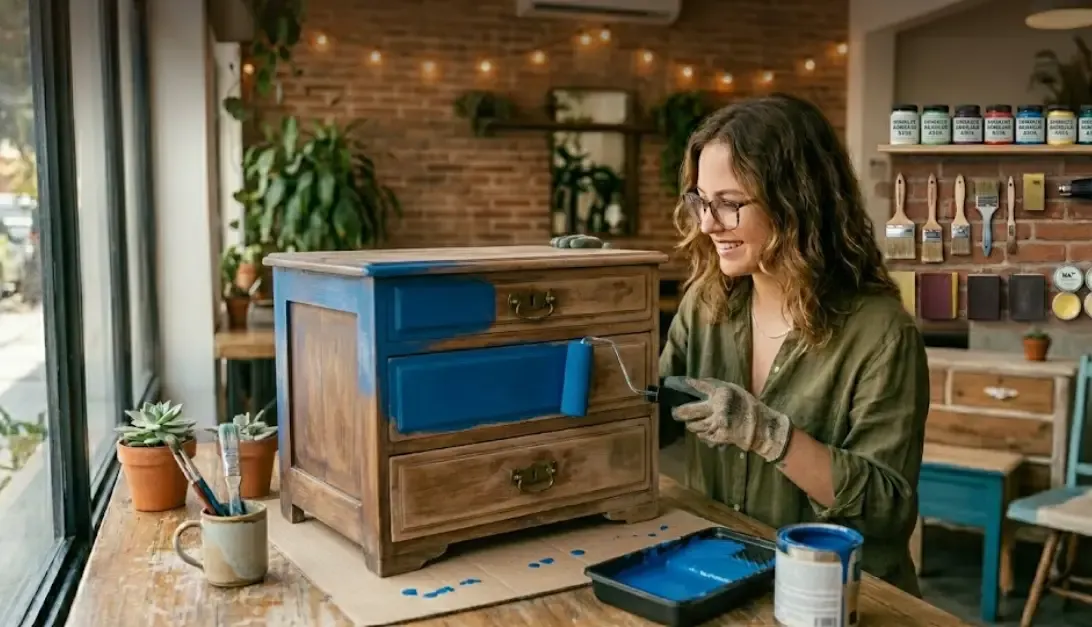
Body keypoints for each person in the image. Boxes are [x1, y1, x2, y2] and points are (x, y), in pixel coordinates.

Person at [552, 93, 928, 595]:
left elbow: (886, 509)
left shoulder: (882, 334)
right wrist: (587, 292)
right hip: (724, 572)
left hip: (840, 594)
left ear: (797, 201)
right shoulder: (706, 305)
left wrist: (772, 436)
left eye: (729, 204)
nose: (708, 224)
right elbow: (651, 419)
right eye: (701, 202)